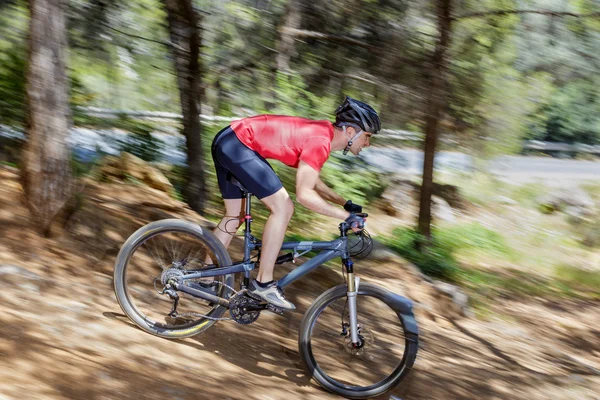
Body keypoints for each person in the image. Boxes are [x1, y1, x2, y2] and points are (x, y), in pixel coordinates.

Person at [210, 96, 381, 310]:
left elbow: (313, 181)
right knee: (283, 207)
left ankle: (206, 277)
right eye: (366, 136)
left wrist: (344, 203)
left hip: (229, 140)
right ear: (350, 132)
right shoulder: (321, 141)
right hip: (239, 144)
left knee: (234, 216)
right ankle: (263, 283)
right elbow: (304, 195)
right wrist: (346, 217)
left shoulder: (322, 134)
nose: (367, 143)